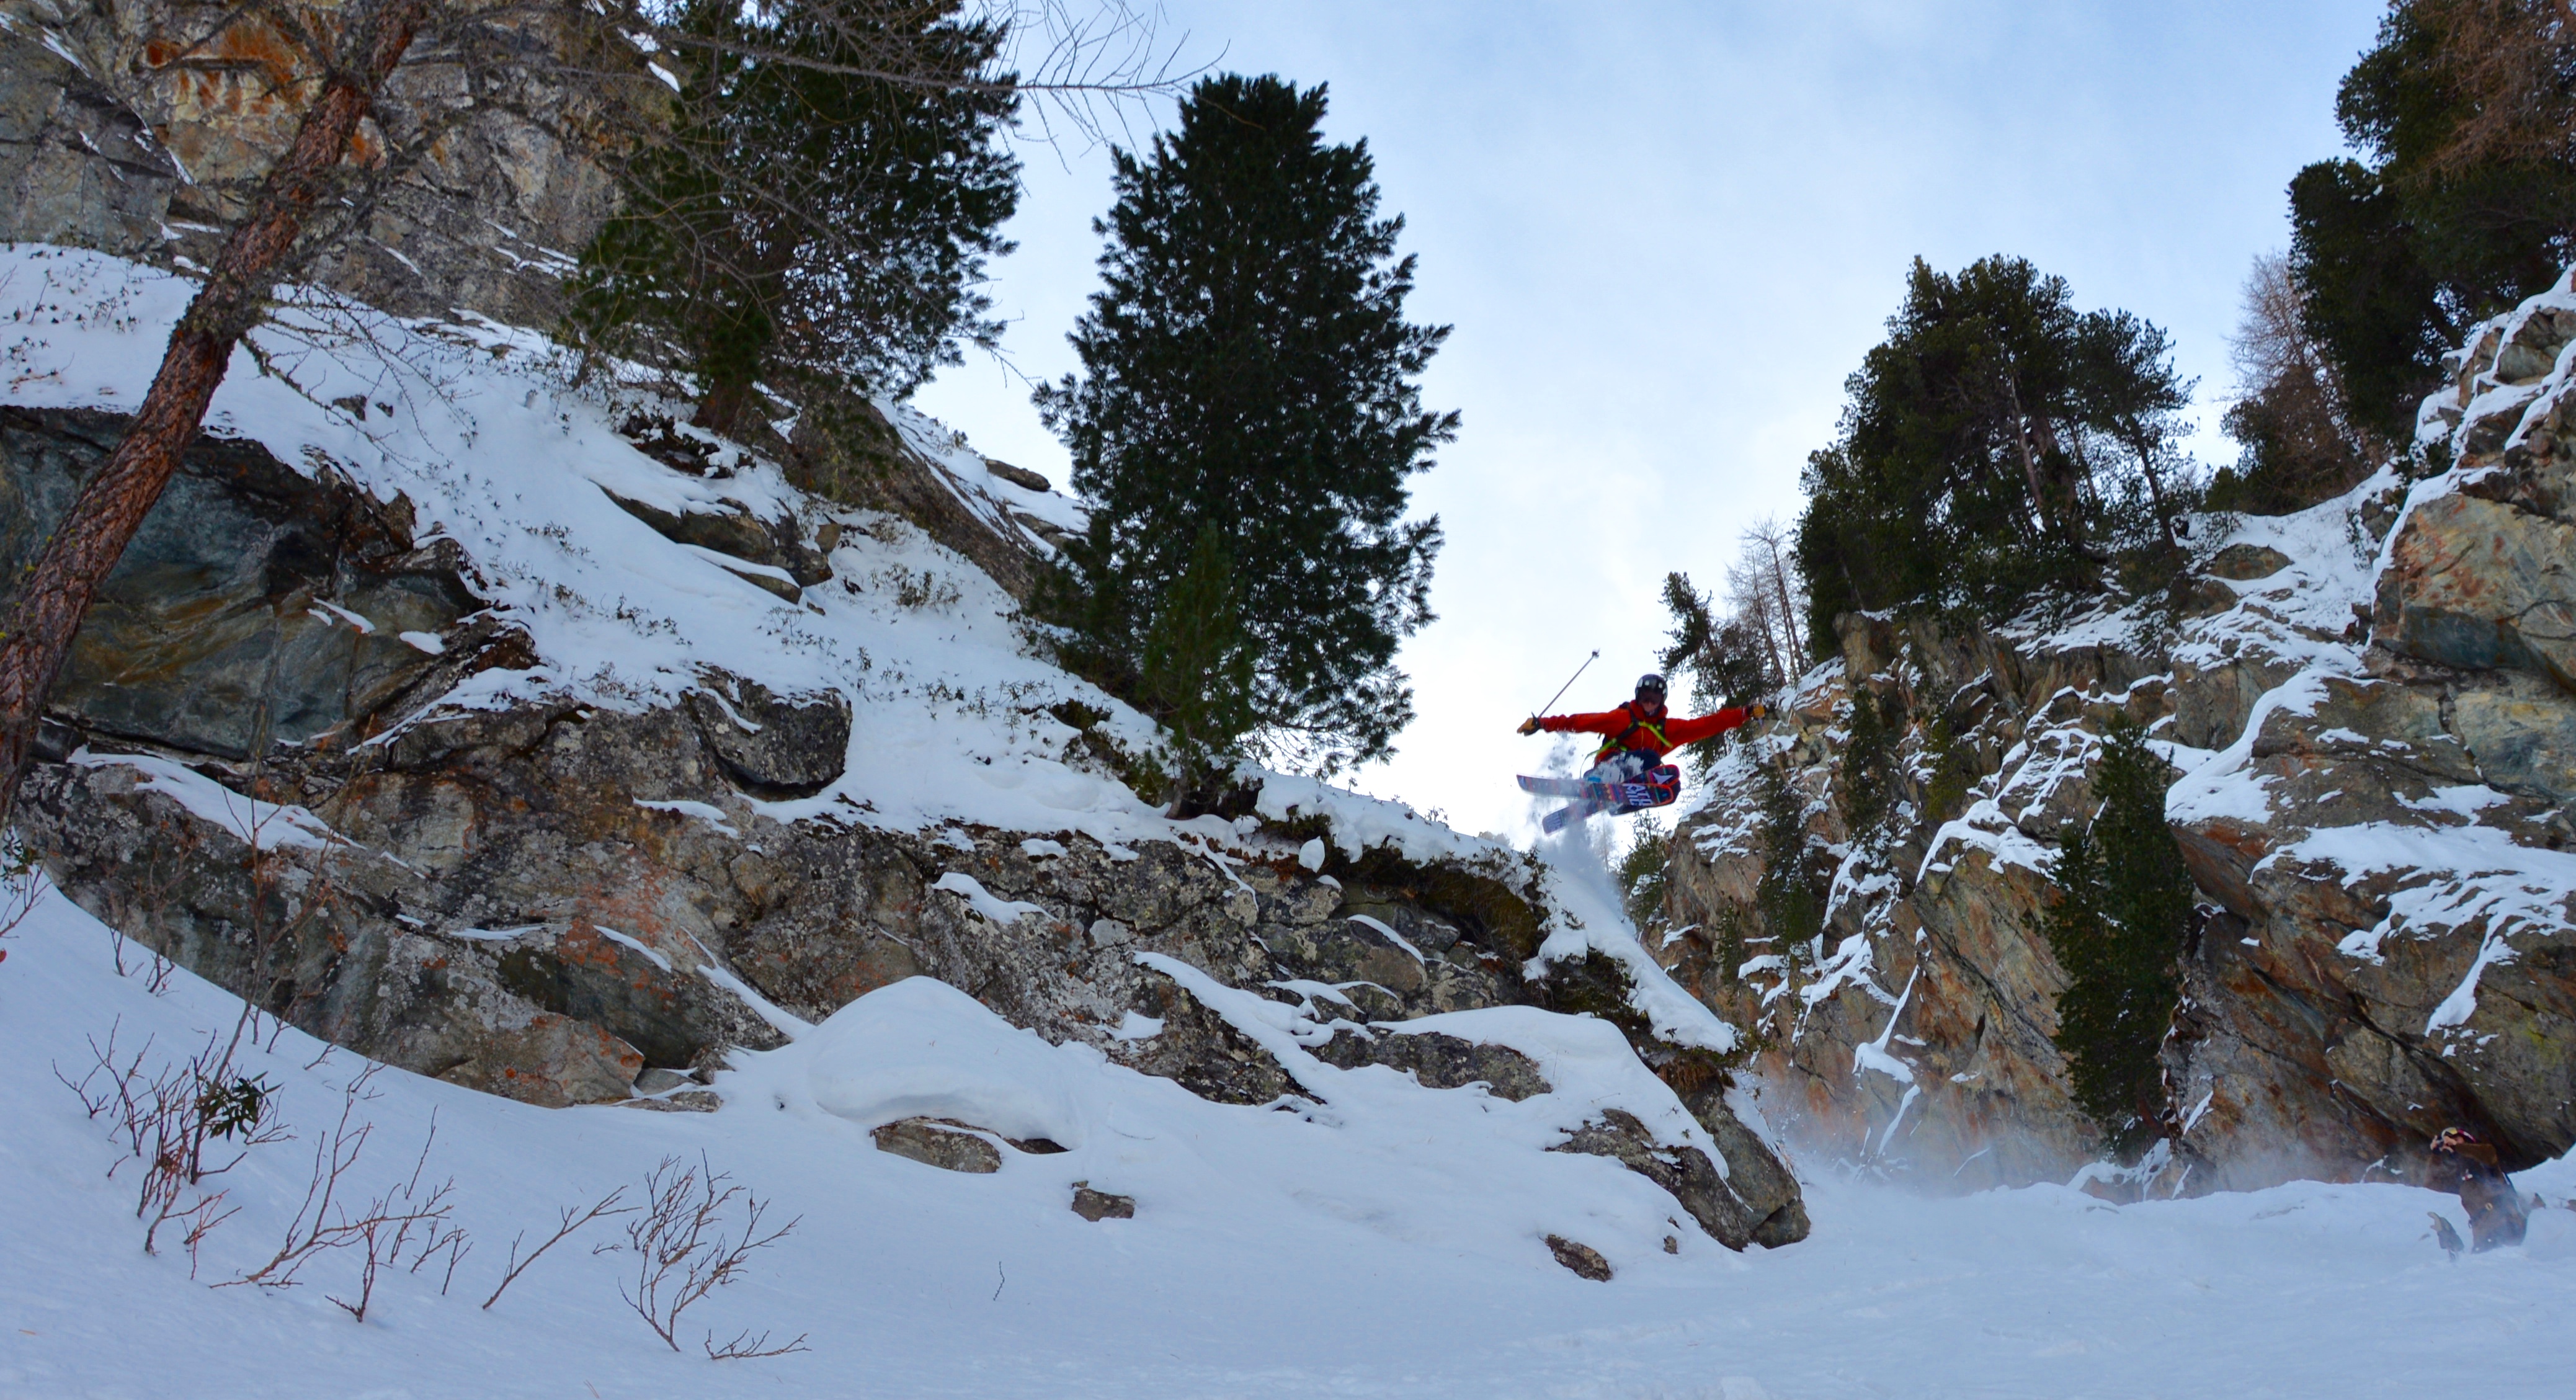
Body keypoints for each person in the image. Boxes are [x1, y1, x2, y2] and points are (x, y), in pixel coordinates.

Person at [1516, 672, 1765, 812]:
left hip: (1634, 777)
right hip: (1611, 765)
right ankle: (1596, 781)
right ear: (1638, 697)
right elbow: (1583, 721)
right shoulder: (1623, 718)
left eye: (1654, 698)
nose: (1649, 703)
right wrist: (1543, 724)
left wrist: (1744, 714)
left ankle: (1620, 803)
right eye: (1645, 697)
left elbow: (1706, 725)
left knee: (1672, 786)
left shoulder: (1668, 729)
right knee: (1651, 758)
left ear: (1661, 701)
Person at [2428, 1126, 2528, 1252]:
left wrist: (2457, 1147)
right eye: (2449, 1142)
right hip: (2482, 1234)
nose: (2452, 1143)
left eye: (2457, 1139)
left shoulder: (2483, 1161)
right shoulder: (2461, 1176)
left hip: (2506, 1224)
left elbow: (2489, 1152)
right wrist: (2436, 1155)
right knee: (2482, 1266)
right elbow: (2432, 1183)